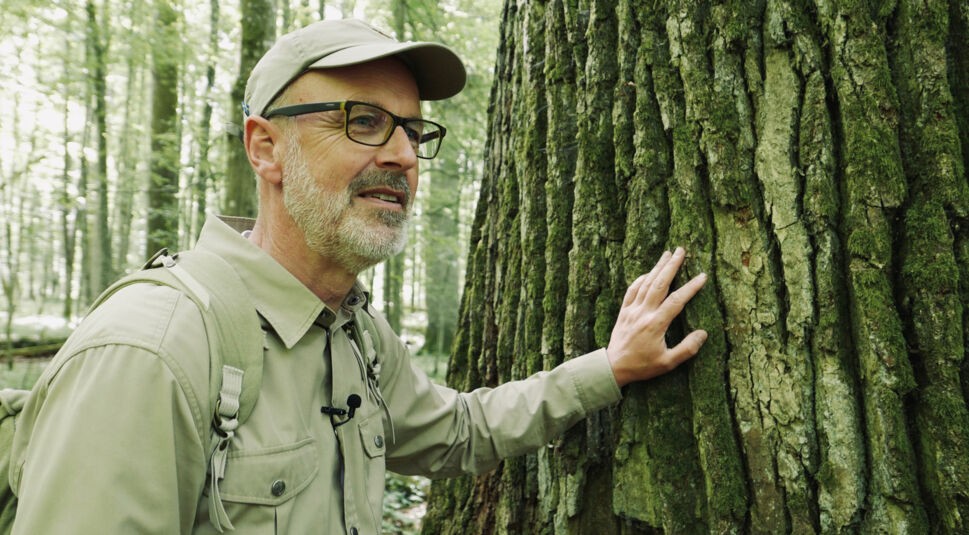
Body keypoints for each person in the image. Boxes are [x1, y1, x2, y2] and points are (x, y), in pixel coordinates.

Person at [9, 19, 708, 534]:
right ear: (265, 148)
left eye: (413, 131)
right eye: (364, 121)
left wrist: (610, 367)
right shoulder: (154, 351)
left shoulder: (353, 331)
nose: (402, 154)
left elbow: (459, 431)